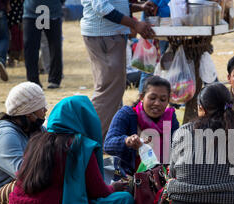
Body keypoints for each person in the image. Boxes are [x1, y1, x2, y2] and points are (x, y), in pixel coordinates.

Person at [9, 95, 134, 204]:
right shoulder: (81, 146)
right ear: (85, 119)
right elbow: (98, 192)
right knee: (125, 199)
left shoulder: (37, 141)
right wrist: (114, 188)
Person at [81, 0, 157, 140]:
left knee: (113, 90)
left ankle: (106, 137)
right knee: (108, 91)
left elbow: (114, 4)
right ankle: (92, 139)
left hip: (108, 34)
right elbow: (101, 7)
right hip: (104, 35)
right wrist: (135, 24)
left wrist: (138, 7)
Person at [104, 75, 179, 176]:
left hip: (161, 177)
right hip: (128, 176)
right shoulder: (127, 114)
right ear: (142, 97)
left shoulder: (169, 118)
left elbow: (176, 147)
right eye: (152, 98)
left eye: (163, 100)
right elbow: (108, 144)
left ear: (168, 100)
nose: (157, 103)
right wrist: (127, 141)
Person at [23, 0, 64, 89]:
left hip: (52, 12)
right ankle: (33, 80)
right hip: (31, 13)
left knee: (55, 46)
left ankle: (55, 79)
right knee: (30, 48)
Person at [7, 0, 24, 66]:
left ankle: (16, 57)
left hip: (17, 11)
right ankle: (13, 57)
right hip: (12, 11)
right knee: (15, 35)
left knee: (17, 35)